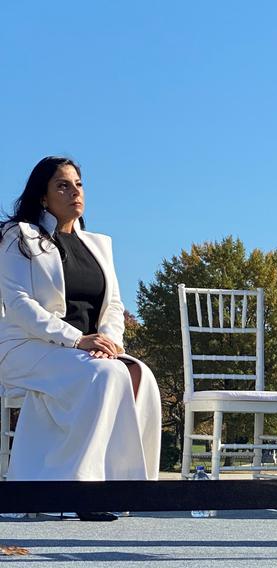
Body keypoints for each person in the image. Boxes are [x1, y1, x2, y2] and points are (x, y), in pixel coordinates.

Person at [0, 156, 161, 521]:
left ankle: (124, 487)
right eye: (62, 185)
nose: (75, 192)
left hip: (84, 352)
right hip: (27, 347)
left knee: (139, 374)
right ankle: (83, 490)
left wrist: (110, 342)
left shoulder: (99, 245)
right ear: (43, 197)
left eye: (79, 184)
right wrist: (78, 340)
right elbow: (19, 304)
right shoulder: (18, 237)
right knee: (107, 375)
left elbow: (114, 304)